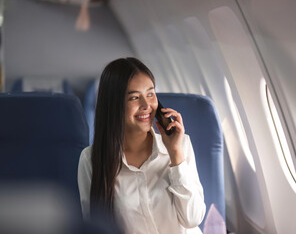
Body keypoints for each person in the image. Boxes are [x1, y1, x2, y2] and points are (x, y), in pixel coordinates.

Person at [78, 57, 206, 234]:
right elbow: (96, 227)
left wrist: (175, 154)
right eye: (135, 97)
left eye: (151, 94)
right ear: (114, 105)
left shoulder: (180, 145)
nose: (147, 106)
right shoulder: (91, 160)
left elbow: (192, 219)